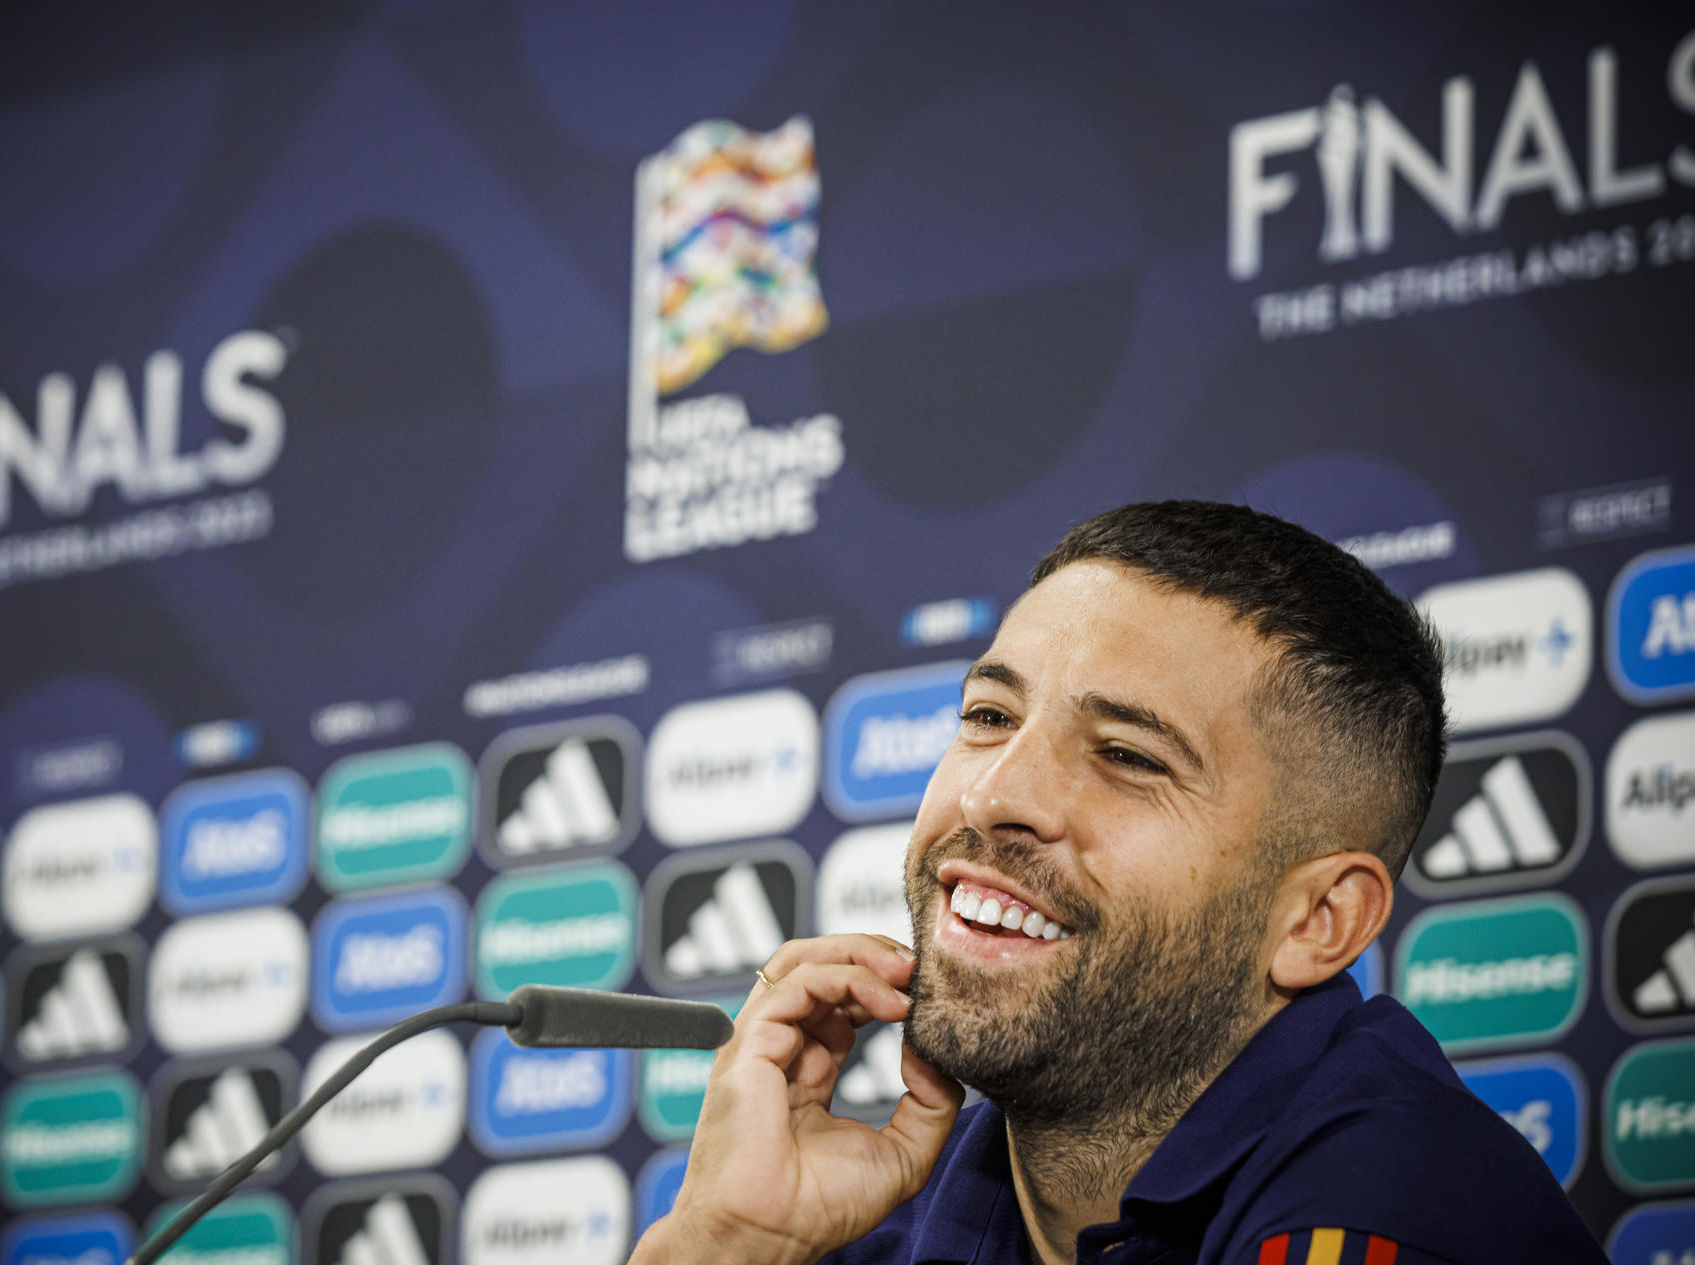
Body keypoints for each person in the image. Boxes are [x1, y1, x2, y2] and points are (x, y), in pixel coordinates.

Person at [630, 501, 1607, 1265]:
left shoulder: (1393, 1205)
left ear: (1317, 917)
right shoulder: (883, 1206)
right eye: (986, 713)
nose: (994, 790)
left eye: (1132, 757)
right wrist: (725, 1238)